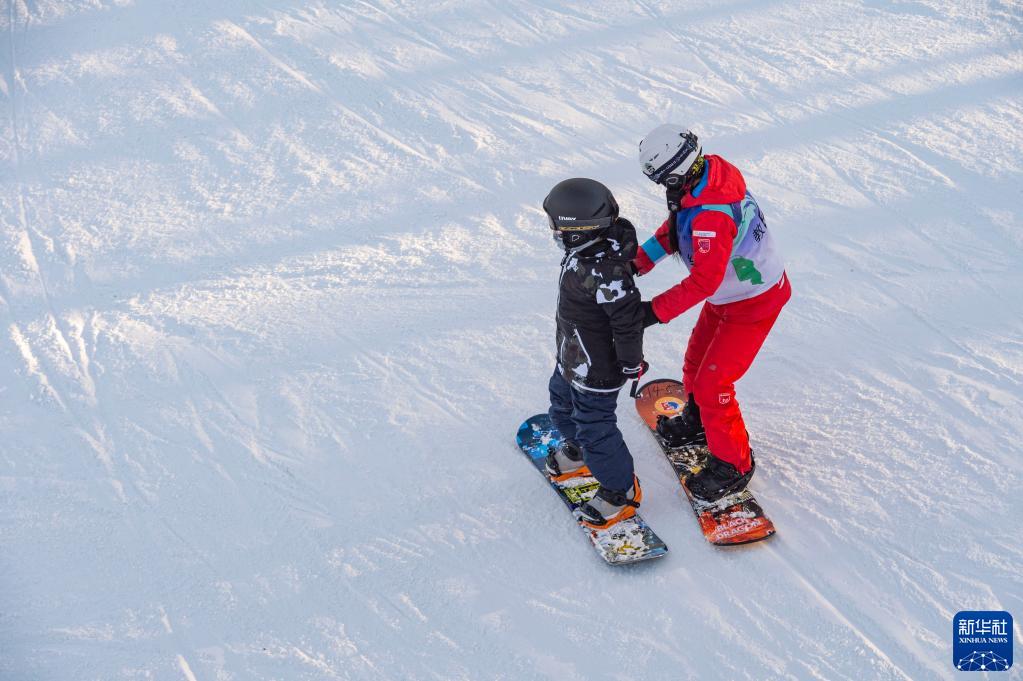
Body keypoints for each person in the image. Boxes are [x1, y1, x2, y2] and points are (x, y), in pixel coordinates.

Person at [633, 124, 792, 503]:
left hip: (754, 302)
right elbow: (675, 230)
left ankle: (734, 464)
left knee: (714, 384)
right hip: (731, 294)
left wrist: (652, 312)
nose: (659, 186)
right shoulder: (707, 176)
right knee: (694, 364)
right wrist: (637, 264)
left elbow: (704, 280)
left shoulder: (710, 216)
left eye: (658, 178)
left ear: (675, 171)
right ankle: (701, 421)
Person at [541, 178, 649, 529]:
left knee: (595, 429)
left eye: (557, 225)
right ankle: (577, 451)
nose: (553, 231)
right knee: (560, 404)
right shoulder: (585, 251)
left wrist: (631, 362)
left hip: (598, 370)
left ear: (577, 230)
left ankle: (621, 491)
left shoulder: (608, 273)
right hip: (572, 357)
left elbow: (628, 324)